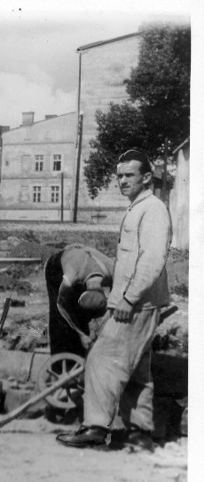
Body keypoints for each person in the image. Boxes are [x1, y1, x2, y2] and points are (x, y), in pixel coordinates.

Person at [57, 149, 172, 449]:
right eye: (119, 175)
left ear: (146, 177)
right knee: (135, 370)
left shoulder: (153, 210)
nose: (122, 181)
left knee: (100, 360)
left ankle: (94, 427)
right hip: (135, 301)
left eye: (129, 175)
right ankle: (139, 434)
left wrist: (128, 299)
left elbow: (152, 260)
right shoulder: (137, 208)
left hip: (136, 304)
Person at [44, 243, 114, 357]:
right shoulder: (69, 279)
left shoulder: (111, 270)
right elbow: (60, 305)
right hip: (58, 265)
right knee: (60, 321)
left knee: (81, 317)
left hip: (82, 257)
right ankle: (61, 360)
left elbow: (116, 302)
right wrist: (81, 335)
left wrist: (102, 328)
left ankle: (83, 349)